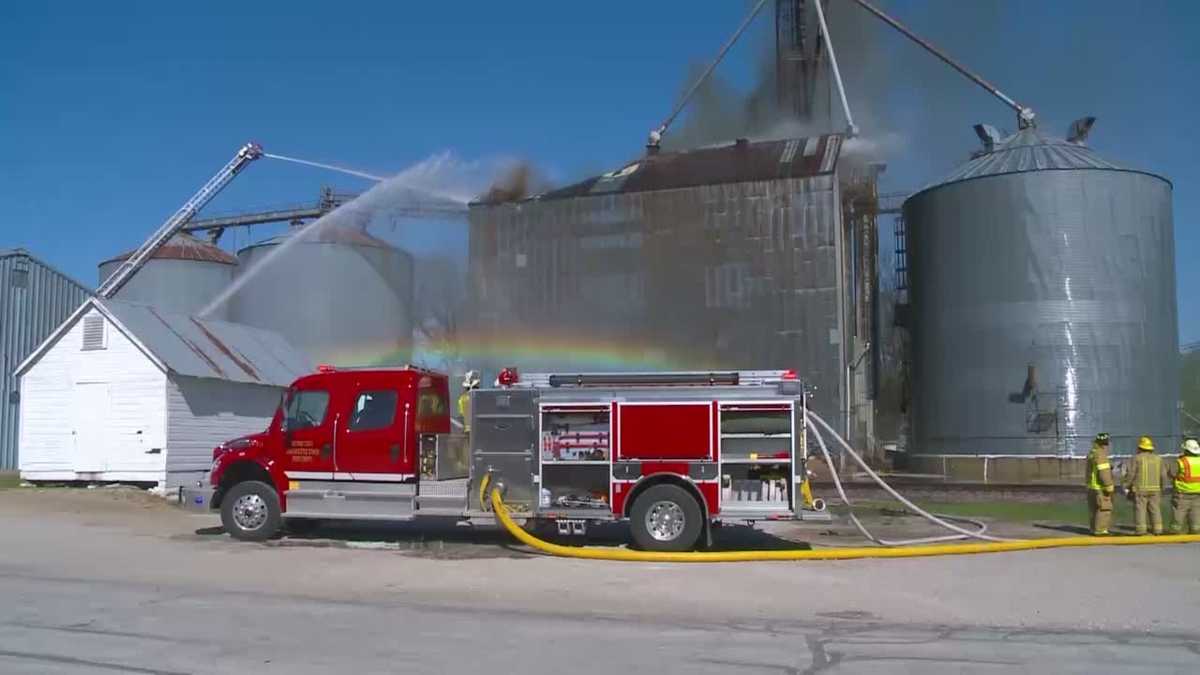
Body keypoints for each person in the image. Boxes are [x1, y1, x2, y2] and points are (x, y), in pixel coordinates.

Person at [1122, 435, 1164, 535]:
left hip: (1140, 489)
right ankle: (1158, 530)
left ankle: (1140, 530)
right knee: (1155, 509)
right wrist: (1161, 487)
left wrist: (1125, 485)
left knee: (1140, 509)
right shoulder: (1158, 459)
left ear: (1140, 448)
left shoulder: (1136, 458)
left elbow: (1131, 474)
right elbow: (1163, 475)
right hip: (1155, 489)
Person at [1166, 437, 1200, 534]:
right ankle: (1195, 535)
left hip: (1182, 496)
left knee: (1177, 522)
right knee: (1196, 521)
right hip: (1197, 495)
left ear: (1186, 450)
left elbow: (1172, 474)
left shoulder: (1182, 462)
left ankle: (1174, 537)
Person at [1085, 433, 1116, 535]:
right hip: (1100, 488)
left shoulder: (1092, 453)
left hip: (1091, 487)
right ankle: (1101, 530)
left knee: (1094, 511)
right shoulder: (1101, 454)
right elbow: (1103, 473)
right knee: (1104, 509)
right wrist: (1109, 486)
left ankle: (1094, 529)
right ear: (1105, 444)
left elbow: (1094, 469)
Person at [458, 370, 481, 434]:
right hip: (477, 430)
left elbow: (461, 415)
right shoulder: (480, 397)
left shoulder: (462, 398)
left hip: (470, 431)